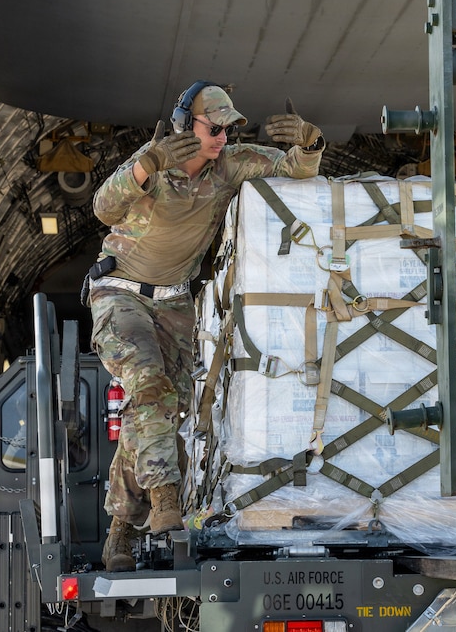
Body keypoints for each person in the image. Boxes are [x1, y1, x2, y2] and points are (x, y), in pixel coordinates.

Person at [87, 81, 325, 571]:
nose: (221, 137)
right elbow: (103, 208)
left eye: (227, 128)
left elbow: (291, 169)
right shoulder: (152, 164)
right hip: (119, 295)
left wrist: (309, 142)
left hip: (174, 304)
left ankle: (118, 532)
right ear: (184, 124)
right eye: (213, 128)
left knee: (162, 413)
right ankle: (164, 503)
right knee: (149, 388)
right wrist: (144, 166)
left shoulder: (230, 165)